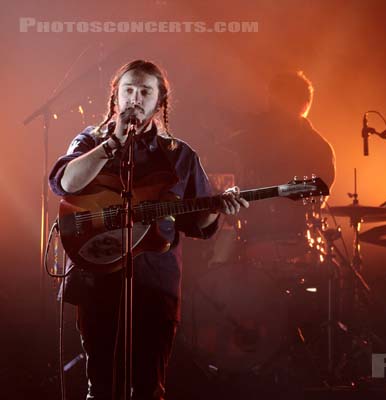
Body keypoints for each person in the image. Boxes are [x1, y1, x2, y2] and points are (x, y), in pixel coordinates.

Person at [49, 59, 248, 400]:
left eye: (145, 92)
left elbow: (195, 222)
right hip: (98, 276)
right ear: (115, 97)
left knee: (148, 386)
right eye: (128, 90)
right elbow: (65, 183)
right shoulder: (89, 141)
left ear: (160, 102)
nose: (135, 99)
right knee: (101, 384)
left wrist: (218, 211)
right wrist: (113, 143)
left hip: (155, 282)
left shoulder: (179, 155)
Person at [224, 70, 335, 261]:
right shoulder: (250, 137)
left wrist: (276, 191)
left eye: (280, 100)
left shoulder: (317, 147)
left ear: (303, 105)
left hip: (295, 240)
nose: (272, 106)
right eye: (272, 99)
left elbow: (319, 191)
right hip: (248, 233)